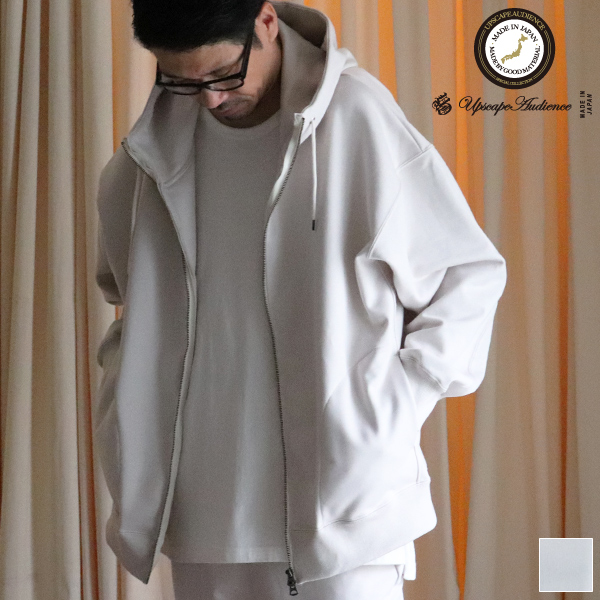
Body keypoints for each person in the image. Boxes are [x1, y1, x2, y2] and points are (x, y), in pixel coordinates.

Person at [93, 1, 507, 598]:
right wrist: (122, 392)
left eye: (224, 74)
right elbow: (123, 289)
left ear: (265, 21)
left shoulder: (357, 117)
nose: (210, 99)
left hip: (344, 515)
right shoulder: (151, 150)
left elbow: (465, 274)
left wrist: (388, 405)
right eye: (184, 81)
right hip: (201, 514)